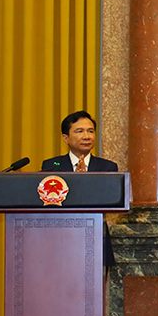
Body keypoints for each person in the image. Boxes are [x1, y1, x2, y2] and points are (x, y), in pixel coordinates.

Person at [41, 110, 118, 267]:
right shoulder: (51, 166)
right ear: (66, 138)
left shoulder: (107, 167)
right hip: (60, 238)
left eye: (90, 131)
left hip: (96, 239)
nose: (86, 136)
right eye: (79, 131)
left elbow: (110, 200)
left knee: (96, 290)